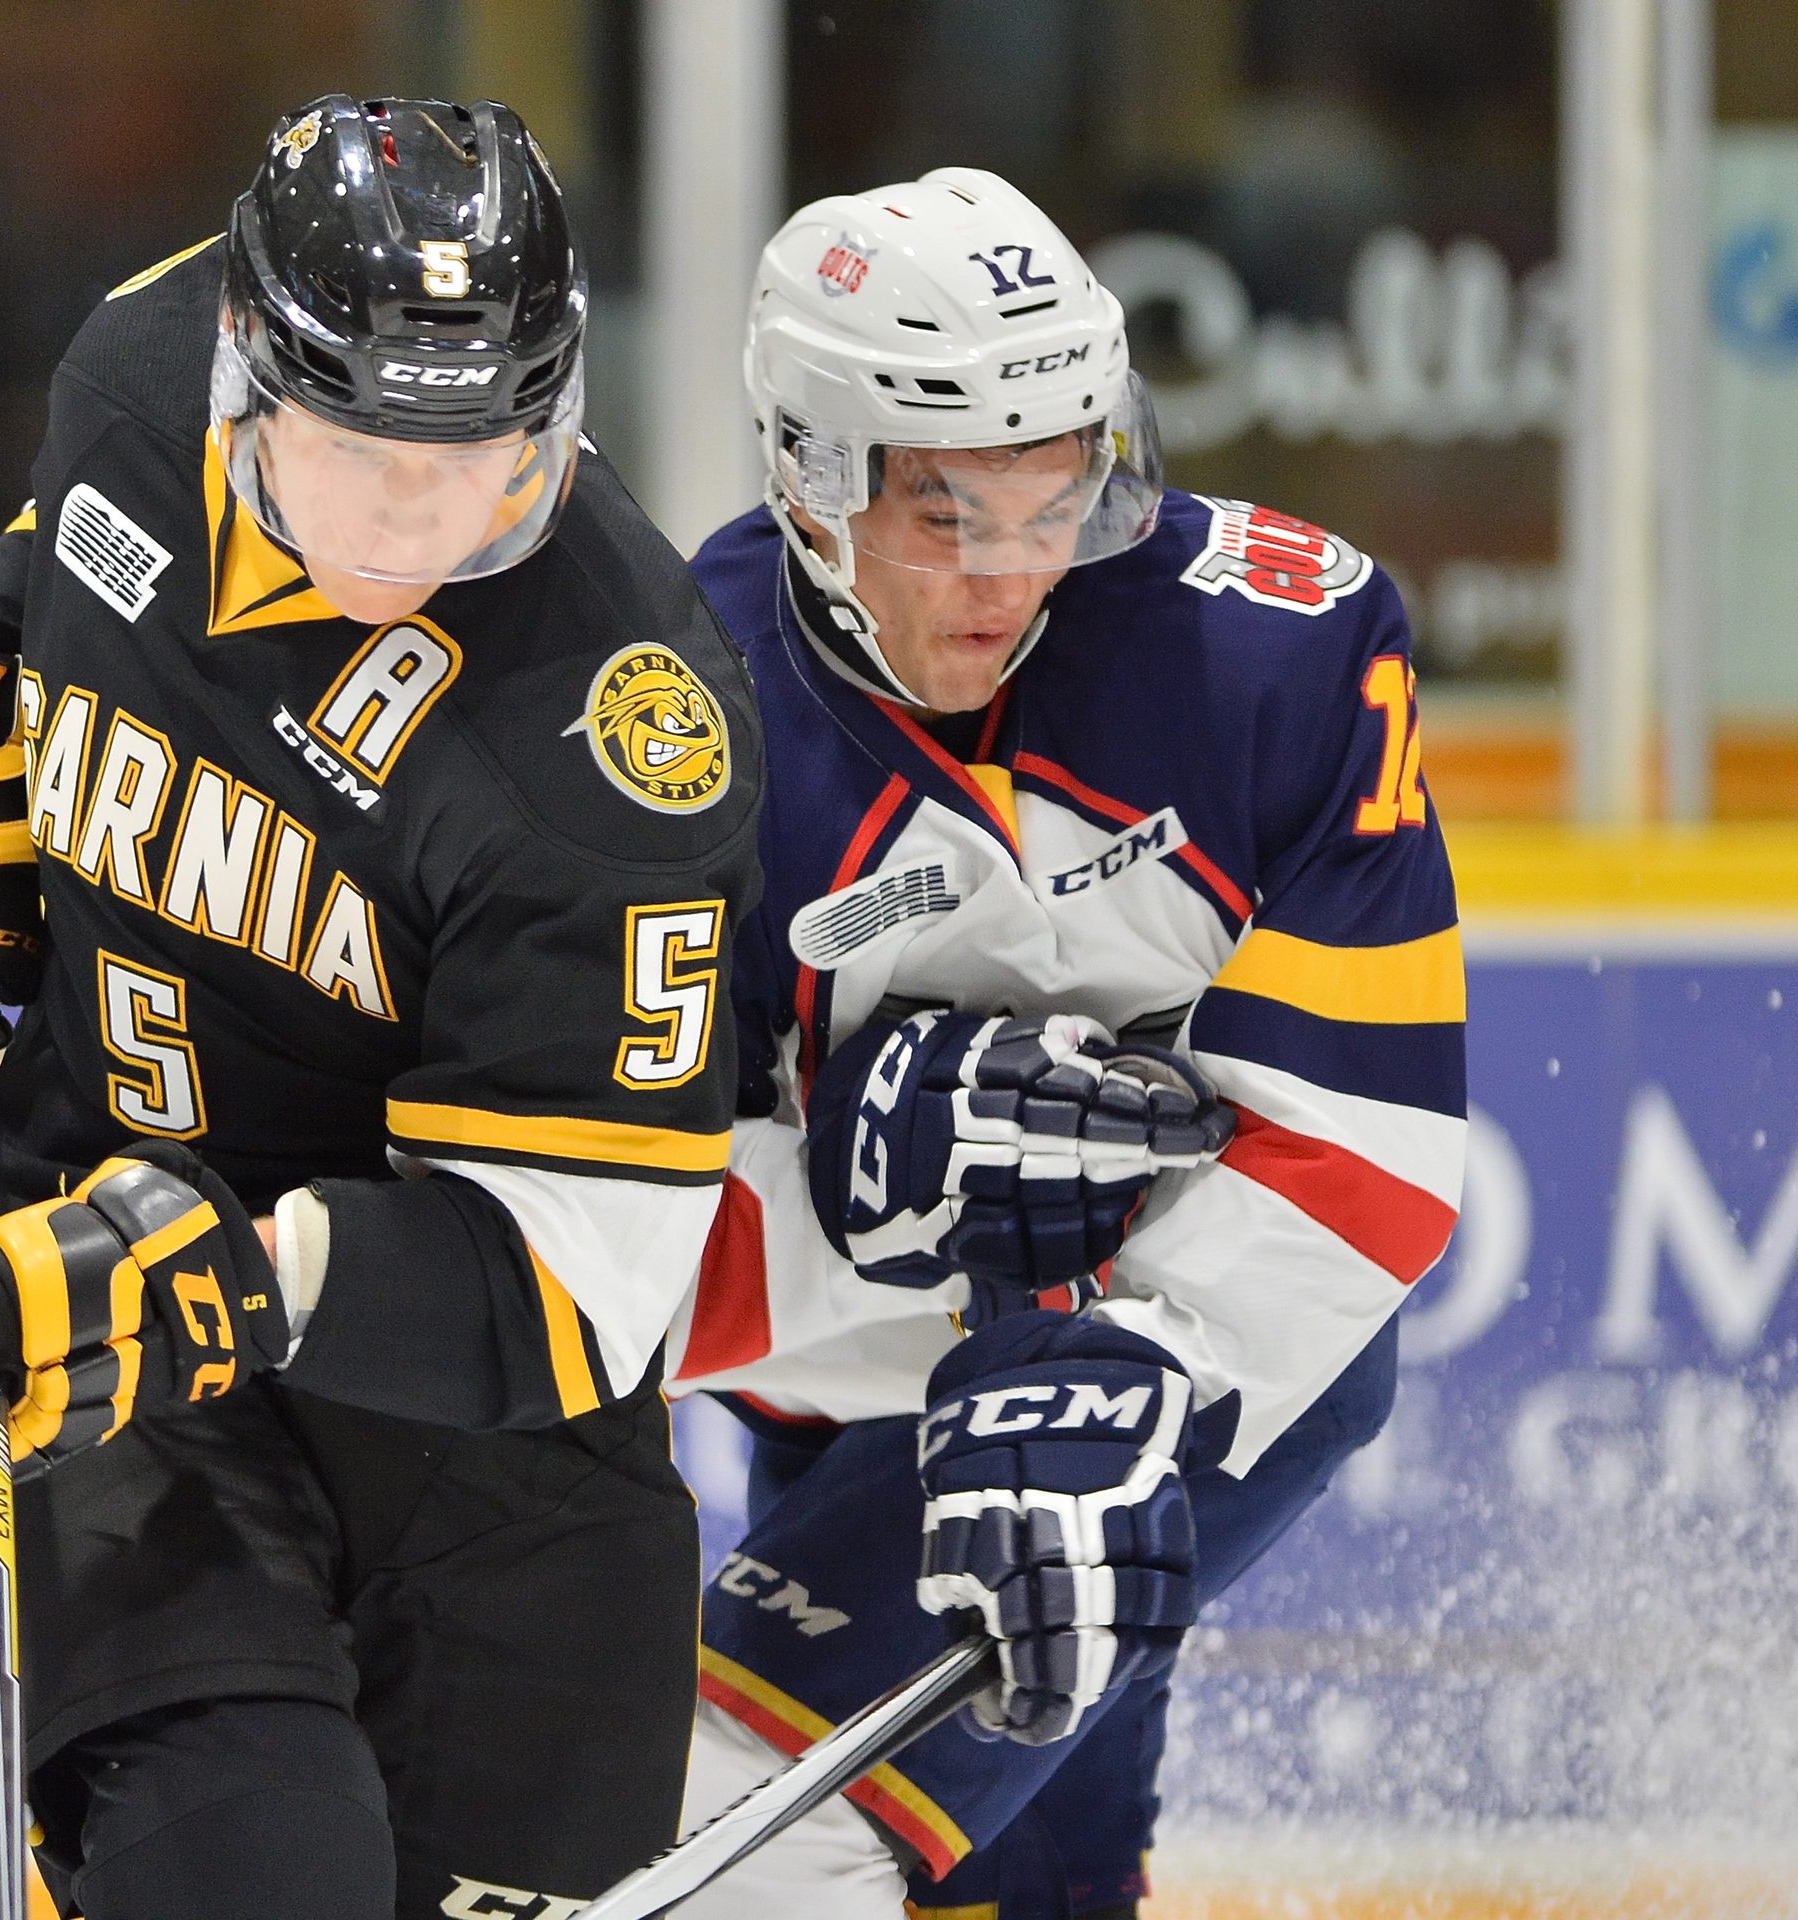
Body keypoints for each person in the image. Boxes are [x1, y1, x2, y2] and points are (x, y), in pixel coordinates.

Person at [0, 95, 762, 1920]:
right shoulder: (143, 364)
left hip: (479, 1432)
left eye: (485, 454)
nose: (425, 510)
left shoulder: (618, 744)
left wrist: (245, 1274)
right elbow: (67, 588)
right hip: (100, 1323)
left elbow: (581, 1278)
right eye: (365, 453)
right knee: (254, 1873)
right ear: (249, 374)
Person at [659, 167, 1466, 1917]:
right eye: (949, 514)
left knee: (784, 1855)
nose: (1012, 579)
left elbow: (1370, 1149)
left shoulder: (1285, 645)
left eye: (1060, 501)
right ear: (808, 477)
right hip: (842, 1400)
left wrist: (1128, 1363)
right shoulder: (661, 728)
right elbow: (585, 1254)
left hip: (1198, 1366)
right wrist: (852, 1204)